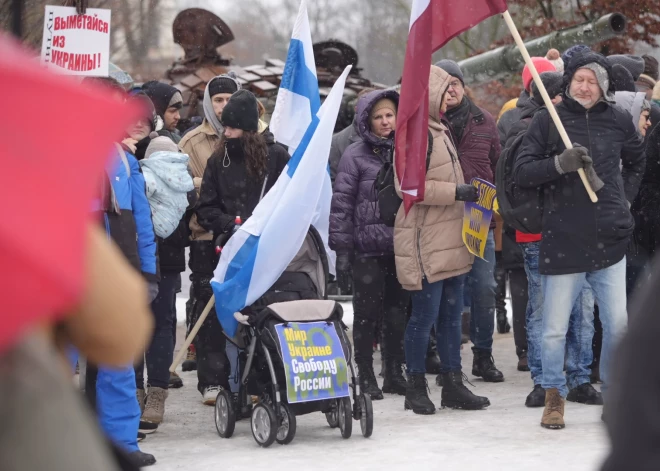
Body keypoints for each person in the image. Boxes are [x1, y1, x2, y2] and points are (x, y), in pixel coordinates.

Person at [514, 51, 646, 429]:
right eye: (579, 79)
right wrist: (559, 164)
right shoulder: (547, 120)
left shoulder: (618, 119)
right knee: (554, 327)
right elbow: (522, 172)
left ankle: (616, 395)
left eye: (592, 80)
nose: (585, 86)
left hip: (610, 237)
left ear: (603, 86)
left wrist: (625, 198)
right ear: (568, 82)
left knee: (617, 325)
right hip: (563, 238)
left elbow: (637, 160)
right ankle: (554, 395)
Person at [396, 65, 489, 415]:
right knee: (423, 317)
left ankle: (452, 383)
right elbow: (408, 188)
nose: (451, 94)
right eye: (445, 87)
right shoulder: (416, 133)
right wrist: (457, 191)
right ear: (430, 92)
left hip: (450, 237)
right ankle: (415, 385)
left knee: (451, 316)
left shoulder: (439, 128)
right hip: (425, 239)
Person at [505, 71, 601, 408]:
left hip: (582, 232)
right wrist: (559, 163)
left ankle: (579, 378)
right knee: (543, 310)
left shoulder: (589, 124)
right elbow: (522, 175)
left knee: (583, 309)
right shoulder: (529, 126)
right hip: (539, 232)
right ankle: (543, 381)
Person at [194, 90, 289, 404]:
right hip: (227, 252)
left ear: (249, 128)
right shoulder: (217, 160)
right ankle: (217, 382)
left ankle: (263, 382)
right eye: (225, 126)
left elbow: (288, 203)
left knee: (262, 318)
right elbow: (205, 209)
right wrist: (232, 225)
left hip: (266, 254)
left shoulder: (277, 156)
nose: (227, 132)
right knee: (220, 317)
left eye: (233, 127)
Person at [83, 77, 160, 466]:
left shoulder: (126, 160)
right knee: (56, 365)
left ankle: (122, 445)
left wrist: (148, 273)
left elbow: (141, 223)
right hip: (69, 275)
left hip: (117, 275)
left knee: (118, 364)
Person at [330, 89, 408, 400]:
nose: (386, 121)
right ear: (367, 121)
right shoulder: (355, 155)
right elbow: (341, 206)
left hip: (399, 247)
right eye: (378, 117)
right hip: (367, 250)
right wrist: (342, 252)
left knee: (396, 312)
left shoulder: (405, 149)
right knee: (365, 315)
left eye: (390, 115)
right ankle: (365, 373)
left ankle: (393, 371)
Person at [435, 59, 504, 383]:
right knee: (448, 291)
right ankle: (444, 359)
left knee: (483, 289)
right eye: (445, 83)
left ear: (463, 86)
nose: (451, 89)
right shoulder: (430, 124)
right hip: (442, 217)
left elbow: (497, 164)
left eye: (456, 83)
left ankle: (483, 355)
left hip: (478, 216)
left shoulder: (484, 121)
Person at [179, 73, 241, 374]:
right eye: (218, 100)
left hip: (241, 234)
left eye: (230, 99)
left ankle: (239, 374)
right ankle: (211, 375)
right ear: (208, 103)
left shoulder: (251, 137)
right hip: (205, 235)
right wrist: (210, 184)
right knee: (206, 302)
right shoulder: (192, 142)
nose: (224, 106)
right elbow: (179, 185)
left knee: (240, 306)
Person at [134, 134, 195, 433]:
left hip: (140, 258)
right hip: (165, 260)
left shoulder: (140, 177)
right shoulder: (185, 182)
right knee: (161, 323)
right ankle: (154, 392)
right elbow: (188, 225)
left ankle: (142, 391)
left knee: (140, 324)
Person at [328, 88, 374, 185]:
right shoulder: (337, 142)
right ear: (356, 109)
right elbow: (334, 183)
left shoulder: (396, 139)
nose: (370, 111)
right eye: (365, 106)